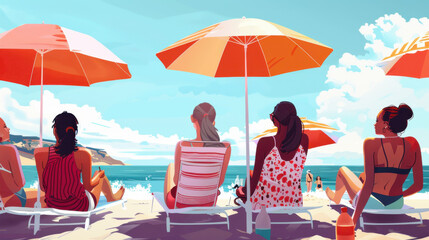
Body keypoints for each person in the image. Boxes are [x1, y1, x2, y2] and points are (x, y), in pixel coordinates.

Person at [325, 104, 423, 226]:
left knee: (342, 170)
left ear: (386, 124)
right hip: (396, 203)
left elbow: (368, 186)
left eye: (377, 121)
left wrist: (354, 219)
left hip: (372, 203)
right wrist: (399, 195)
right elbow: (418, 185)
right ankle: (346, 197)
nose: (374, 124)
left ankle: (336, 199)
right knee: (363, 176)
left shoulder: (371, 144)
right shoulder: (413, 143)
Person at [35, 112, 125, 211]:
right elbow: (88, 187)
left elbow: (43, 187)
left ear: (55, 130)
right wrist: (98, 176)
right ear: (74, 132)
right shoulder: (83, 153)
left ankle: (110, 196)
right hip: (78, 206)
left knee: (88, 181)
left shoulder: (39, 153)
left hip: (53, 205)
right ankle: (111, 198)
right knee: (100, 175)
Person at [235, 101, 309, 209]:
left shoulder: (265, 143)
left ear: (276, 120)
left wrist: (241, 191)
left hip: (265, 205)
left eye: (272, 116)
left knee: (249, 179)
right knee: (250, 174)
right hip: (293, 203)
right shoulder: (304, 140)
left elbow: (255, 181)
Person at [163, 102, 231, 209]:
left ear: (192, 118)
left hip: (180, 204)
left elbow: (176, 181)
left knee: (171, 166)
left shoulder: (183, 145)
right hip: (208, 202)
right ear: (213, 122)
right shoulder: (225, 147)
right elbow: (219, 182)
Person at [0, 117, 46, 208]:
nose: (8, 129)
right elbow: (20, 182)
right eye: (5, 126)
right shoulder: (10, 150)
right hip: (13, 199)